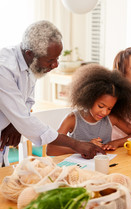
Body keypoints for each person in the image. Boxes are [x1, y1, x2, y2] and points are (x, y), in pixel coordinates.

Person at [0, 20, 105, 167]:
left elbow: (27, 101)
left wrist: (15, 123)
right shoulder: (4, 68)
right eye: (50, 60)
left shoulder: (30, 64)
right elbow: (23, 117)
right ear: (30, 54)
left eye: (57, 58)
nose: (56, 65)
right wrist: (76, 144)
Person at [46, 63, 131, 156]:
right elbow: (50, 149)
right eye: (100, 106)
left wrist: (116, 143)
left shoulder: (111, 118)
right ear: (89, 99)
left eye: (109, 108)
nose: (105, 112)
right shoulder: (72, 119)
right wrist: (81, 147)